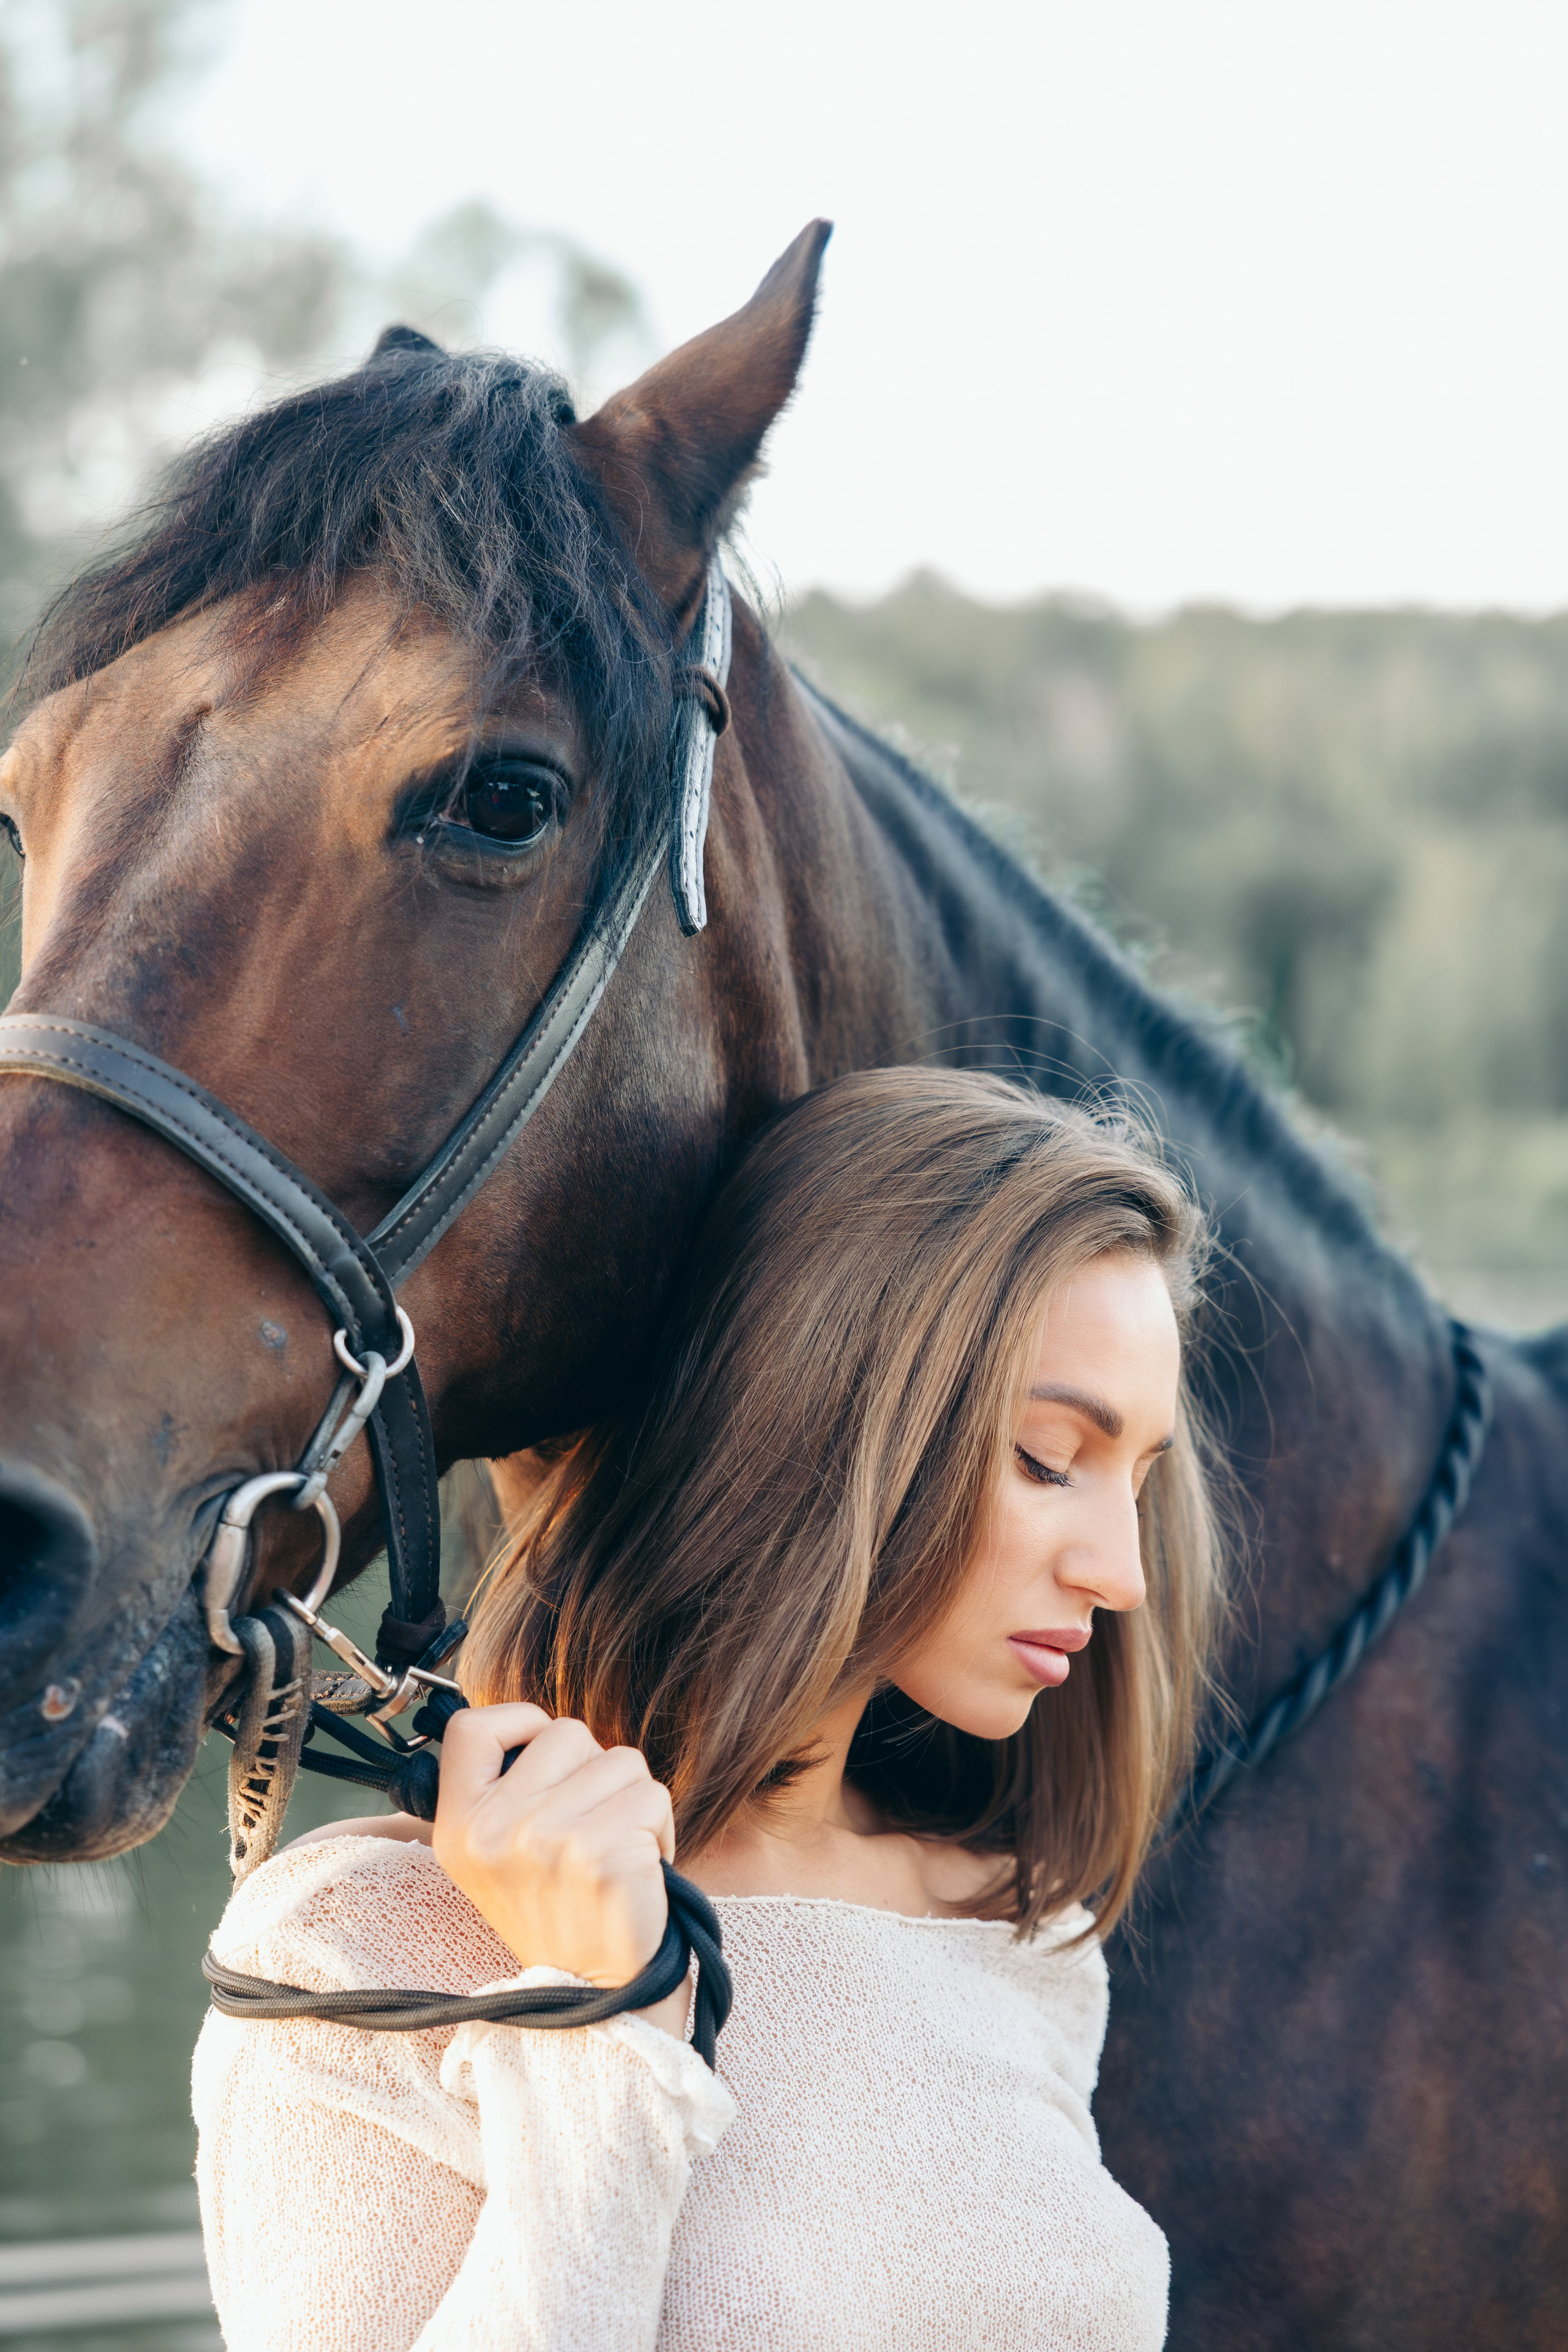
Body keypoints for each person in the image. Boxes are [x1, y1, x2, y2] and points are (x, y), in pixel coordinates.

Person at [194, 1066, 1225, 2352]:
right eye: (1045, 1460)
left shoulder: (1017, 1934)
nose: (1119, 1575)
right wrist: (590, 2015)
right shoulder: (361, 1945)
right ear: (815, 1414)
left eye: (1133, 1479)